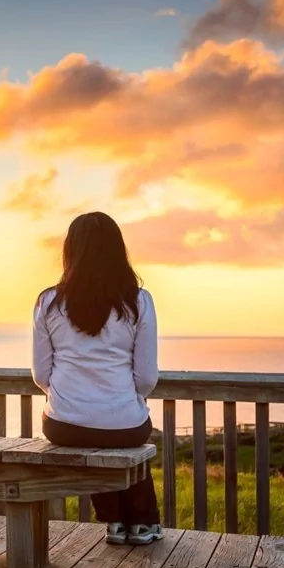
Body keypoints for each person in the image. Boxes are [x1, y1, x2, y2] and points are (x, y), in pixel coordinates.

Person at [31, 211, 162, 545]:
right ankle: (142, 523)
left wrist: (69, 399)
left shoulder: (48, 302)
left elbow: (41, 374)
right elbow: (146, 377)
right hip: (125, 424)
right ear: (118, 251)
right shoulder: (139, 302)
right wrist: (124, 401)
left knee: (93, 434)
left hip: (64, 424)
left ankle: (114, 521)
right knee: (123, 433)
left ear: (70, 251)